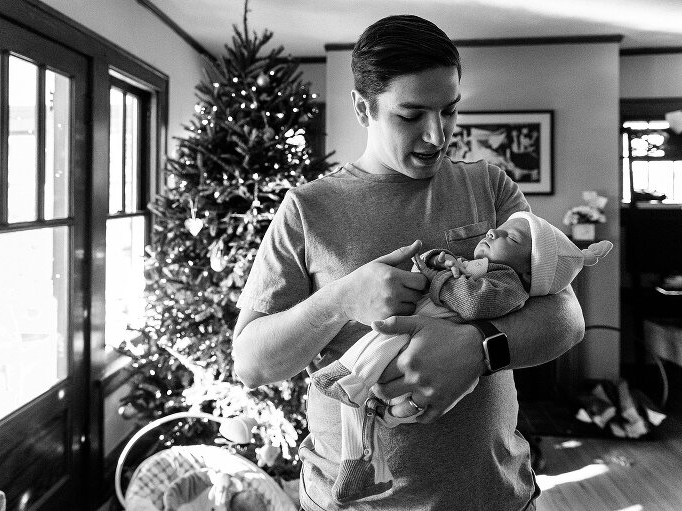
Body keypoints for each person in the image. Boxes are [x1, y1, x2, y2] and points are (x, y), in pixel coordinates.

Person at [232, 14, 585, 511]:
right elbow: (250, 362)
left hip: (496, 497)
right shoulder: (307, 210)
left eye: (450, 111)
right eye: (411, 114)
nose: (438, 136)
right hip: (346, 503)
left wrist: (477, 349)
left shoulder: (491, 187)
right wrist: (338, 301)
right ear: (363, 107)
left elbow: (566, 320)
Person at [311, 212, 612, 503]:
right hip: (419, 340)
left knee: (383, 341)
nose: (493, 232)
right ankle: (363, 465)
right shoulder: (481, 268)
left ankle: (350, 378)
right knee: (361, 400)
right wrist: (438, 261)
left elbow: (472, 302)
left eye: (512, 237)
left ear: (530, 271)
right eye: (498, 228)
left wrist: (440, 277)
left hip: (428, 342)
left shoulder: (509, 285)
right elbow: (442, 272)